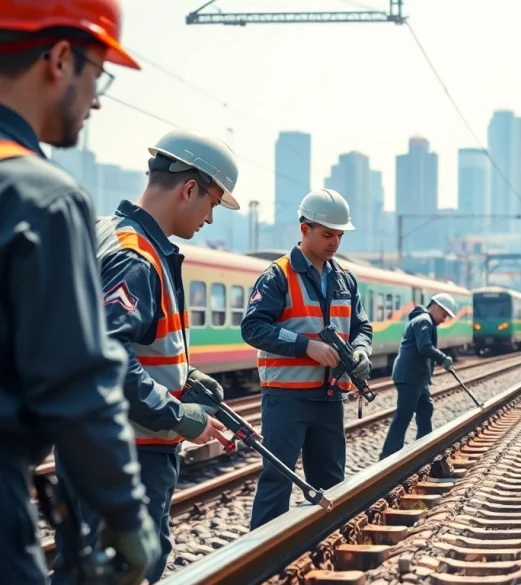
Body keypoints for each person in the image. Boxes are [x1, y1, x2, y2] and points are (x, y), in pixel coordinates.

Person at [0, 2, 161, 583]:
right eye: (98, 74)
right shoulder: (39, 196)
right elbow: (76, 384)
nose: (96, 99)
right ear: (61, 58)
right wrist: (123, 511)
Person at [52, 127, 239, 585]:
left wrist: (185, 374)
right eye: (213, 203)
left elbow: (108, 339)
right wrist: (178, 413)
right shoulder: (137, 258)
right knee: (122, 573)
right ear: (190, 188)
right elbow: (108, 356)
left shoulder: (104, 233)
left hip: (87, 441)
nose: (211, 219)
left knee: (82, 570)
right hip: (129, 450)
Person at [241, 188, 373, 530]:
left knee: (331, 482)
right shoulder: (277, 276)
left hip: (330, 398)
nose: (335, 242)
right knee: (277, 481)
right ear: (304, 229)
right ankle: (260, 563)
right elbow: (253, 327)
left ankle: (321, 548)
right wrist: (306, 346)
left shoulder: (345, 279)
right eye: (327, 234)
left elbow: (362, 326)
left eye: (339, 235)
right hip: (286, 399)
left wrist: (360, 350)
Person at [379, 293, 458, 460]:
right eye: (444, 314)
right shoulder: (424, 321)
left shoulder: (426, 321)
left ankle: (425, 447)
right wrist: (442, 358)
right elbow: (424, 347)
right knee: (404, 413)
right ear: (436, 307)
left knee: (425, 408)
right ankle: (388, 455)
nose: (445, 319)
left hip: (416, 376)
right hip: (409, 375)